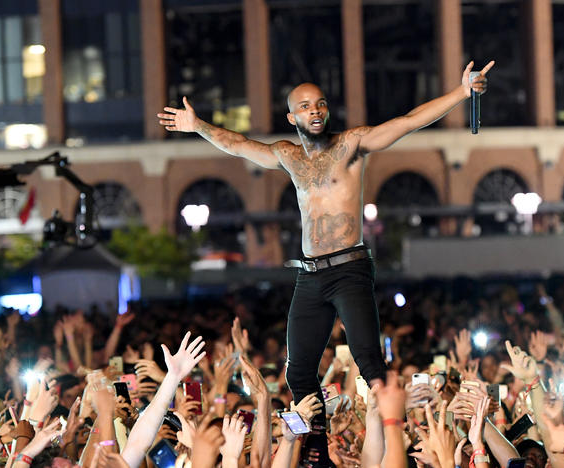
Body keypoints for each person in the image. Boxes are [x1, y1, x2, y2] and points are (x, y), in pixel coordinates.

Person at [157, 60, 493, 465]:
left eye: (320, 104)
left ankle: (398, 447)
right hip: (310, 274)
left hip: (350, 269)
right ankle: (313, 451)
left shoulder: (351, 144)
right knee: (297, 374)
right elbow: (240, 145)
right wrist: (199, 127)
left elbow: (407, 122)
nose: (314, 111)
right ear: (292, 116)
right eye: (305, 106)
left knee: (370, 363)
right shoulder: (288, 155)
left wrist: (461, 92)